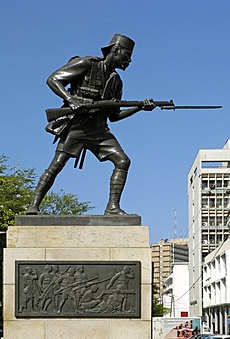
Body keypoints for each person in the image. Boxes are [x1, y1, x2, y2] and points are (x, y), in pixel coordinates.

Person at [26, 34, 154, 216]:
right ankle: (33, 206)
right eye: (126, 56)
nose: (129, 61)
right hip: (77, 127)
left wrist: (139, 107)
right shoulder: (86, 63)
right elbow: (53, 79)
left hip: (99, 130)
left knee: (123, 161)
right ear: (115, 50)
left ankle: (112, 207)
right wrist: (70, 100)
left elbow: (115, 116)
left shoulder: (117, 81)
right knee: (57, 164)